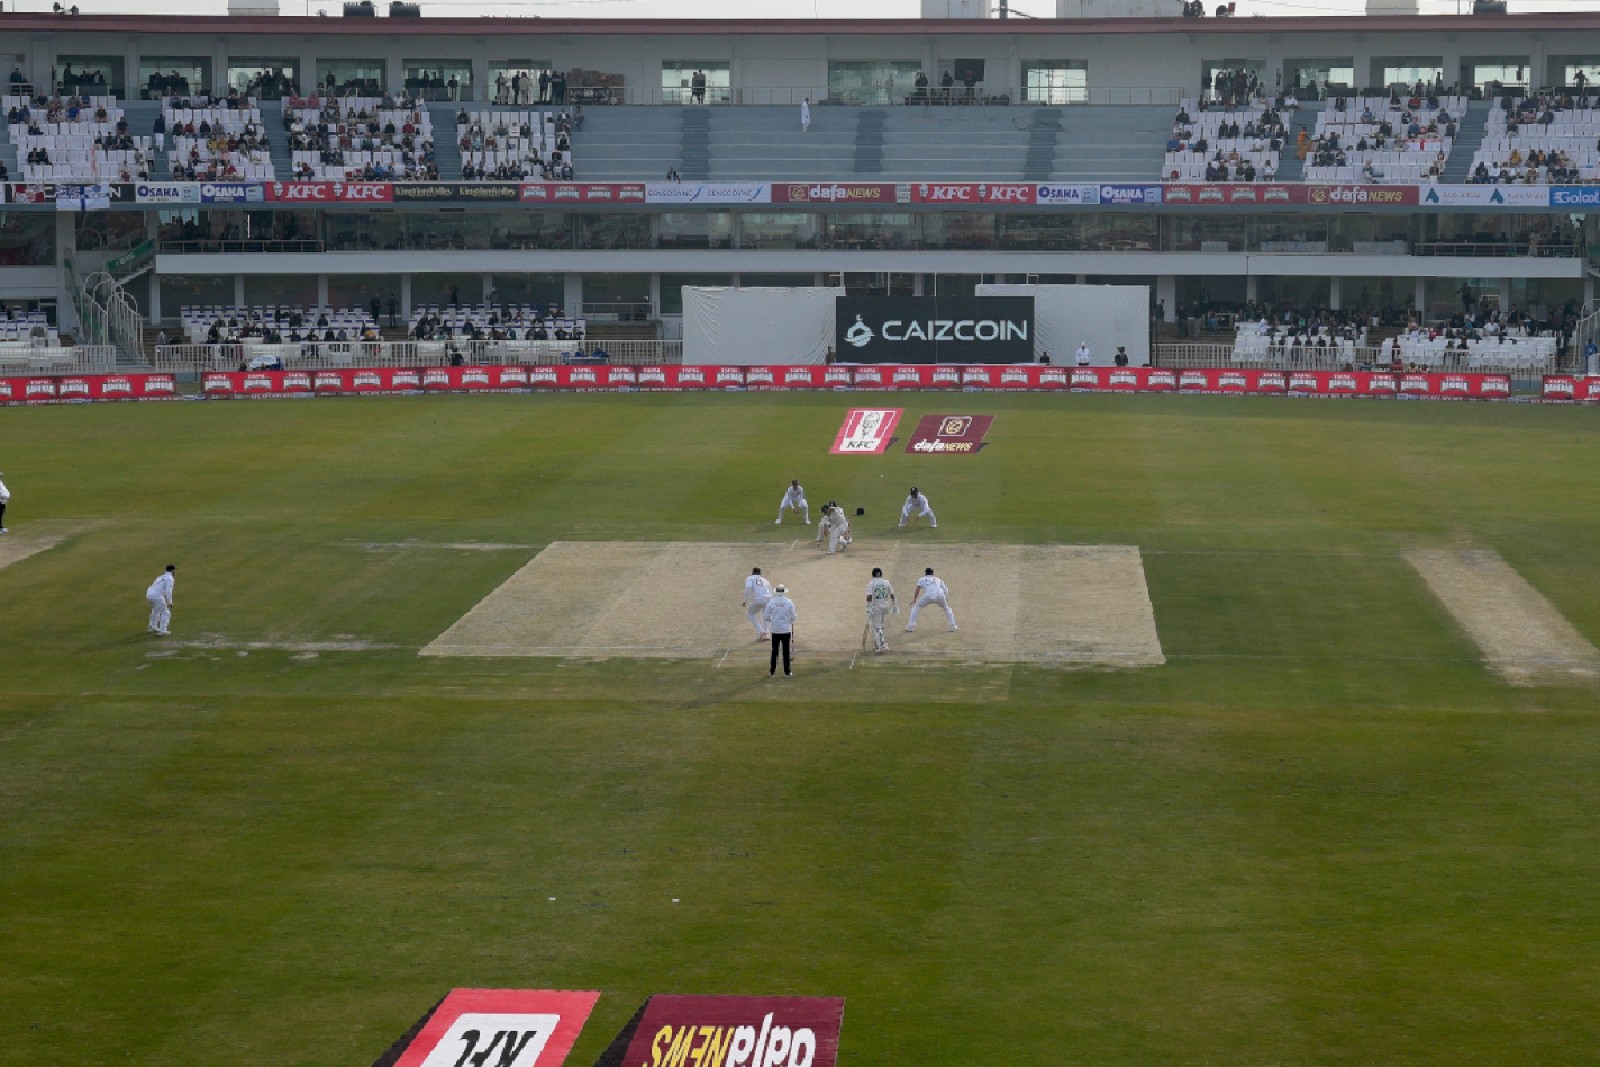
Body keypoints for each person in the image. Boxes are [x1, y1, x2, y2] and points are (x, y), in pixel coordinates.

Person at [906, 567, 957, 632]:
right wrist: (946, 599)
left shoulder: (921, 579)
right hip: (940, 595)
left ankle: (911, 627)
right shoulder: (938, 579)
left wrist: (915, 599)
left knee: (916, 607)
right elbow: (946, 589)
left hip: (928, 595)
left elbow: (918, 589)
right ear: (933, 573)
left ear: (925, 573)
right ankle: (953, 626)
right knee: (947, 608)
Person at [762, 584, 796, 677]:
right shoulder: (789, 602)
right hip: (785, 630)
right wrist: (789, 621)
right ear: (784, 592)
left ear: (776, 592)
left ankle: (772, 672)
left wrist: (772, 621)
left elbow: (766, 616)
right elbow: (793, 616)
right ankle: (787, 672)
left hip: (775, 630)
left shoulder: (771, 602)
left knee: (774, 651)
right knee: (786, 651)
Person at [865, 567, 898, 653]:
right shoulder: (886, 582)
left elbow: (869, 596)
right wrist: (895, 605)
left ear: (872, 574)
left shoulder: (871, 583)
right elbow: (892, 594)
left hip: (877, 607)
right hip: (886, 606)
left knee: (876, 627)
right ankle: (882, 643)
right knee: (881, 625)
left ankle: (878, 646)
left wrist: (868, 606)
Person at [742, 566, 774, 641]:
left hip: (759, 599)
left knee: (750, 614)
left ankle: (761, 632)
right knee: (766, 615)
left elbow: (748, 589)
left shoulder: (750, 578)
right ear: (760, 573)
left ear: (752, 573)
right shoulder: (765, 580)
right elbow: (771, 591)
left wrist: (745, 601)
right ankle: (766, 633)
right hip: (768, 599)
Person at [146, 563, 176, 635]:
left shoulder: (160, 576)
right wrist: (170, 602)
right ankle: (162, 630)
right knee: (165, 612)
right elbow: (168, 591)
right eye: (174, 570)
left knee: (156, 610)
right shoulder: (170, 579)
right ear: (172, 570)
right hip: (156, 596)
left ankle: (152, 626)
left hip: (149, 594)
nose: (175, 572)